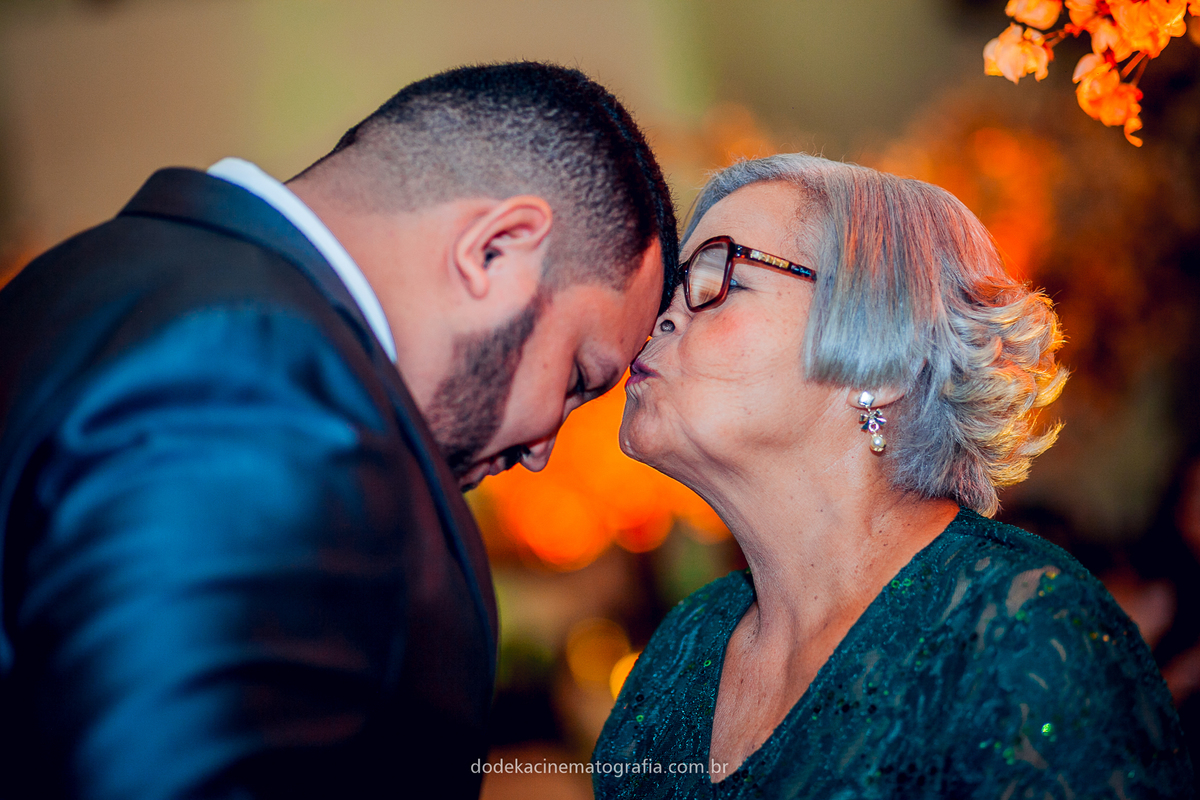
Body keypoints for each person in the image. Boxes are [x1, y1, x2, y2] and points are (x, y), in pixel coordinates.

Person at [0, 62, 676, 799]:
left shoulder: (88, 275)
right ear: (495, 248)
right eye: (577, 377)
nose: (544, 449)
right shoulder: (259, 380)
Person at [594, 153, 1194, 798]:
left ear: (882, 359)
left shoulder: (1021, 631)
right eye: (673, 287)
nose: (661, 317)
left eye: (720, 279)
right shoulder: (685, 647)